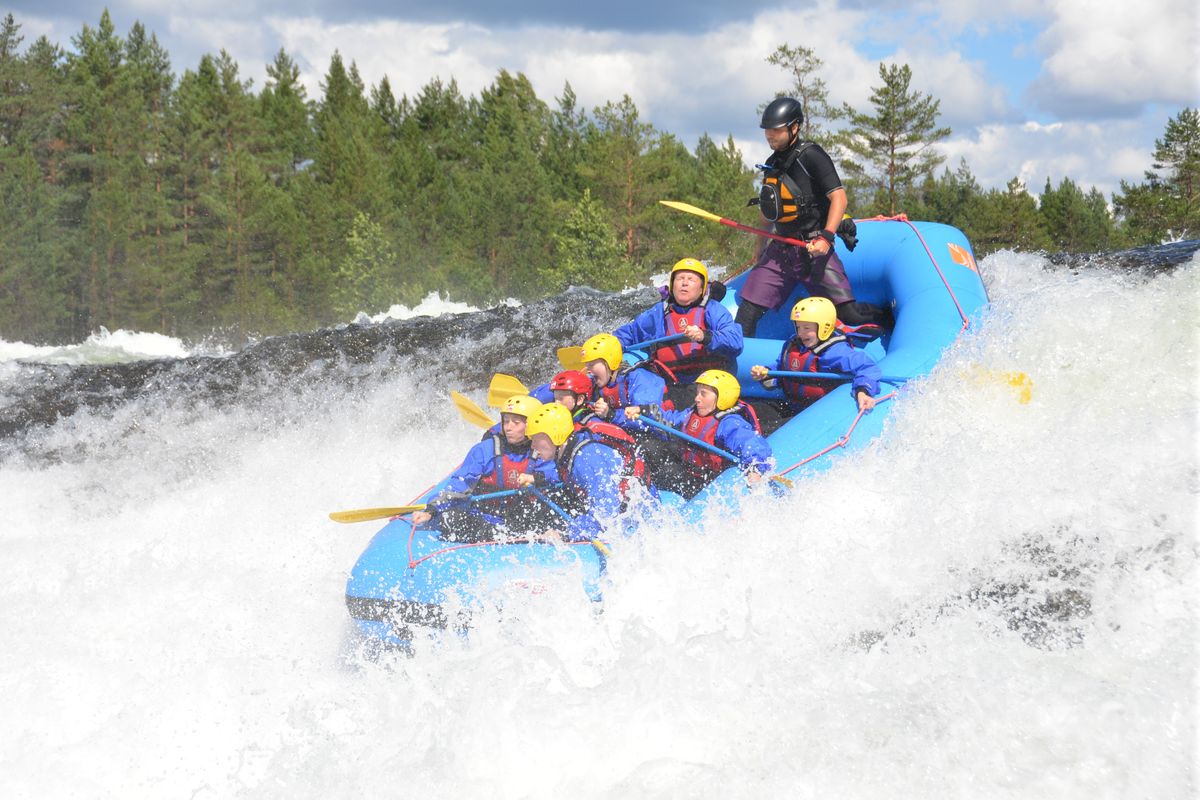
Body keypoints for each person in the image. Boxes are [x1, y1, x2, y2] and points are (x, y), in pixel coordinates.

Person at [735, 96, 892, 337]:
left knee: (850, 315)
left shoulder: (812, 155)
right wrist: (760, 246)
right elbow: (768, 209)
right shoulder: (771, 163)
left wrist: (826, 238)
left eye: (776, 130)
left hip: (815, 247)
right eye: (767, 131)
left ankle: (890, 320)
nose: (770, 136)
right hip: (781, 251)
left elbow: (839, 198)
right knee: (746, 315)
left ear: (794, 127)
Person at [412, 395, 559, 541]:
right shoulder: (485, 450)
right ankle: (511, 536)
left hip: (523, 518)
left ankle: (522, 534)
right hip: (486, 517)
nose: (508, 427)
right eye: (506, 421)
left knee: (547, 516)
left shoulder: (542, 450)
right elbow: (459, 485)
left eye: (516, 423)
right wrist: (431, 510)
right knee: (451, 519)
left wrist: (536, 478)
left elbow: (555, 476)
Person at [625, 369, 773, 499]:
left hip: (710, 479)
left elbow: (751, 443)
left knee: (668, 473)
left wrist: (755, 469)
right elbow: (669, 421)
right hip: (690, 469)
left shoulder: (729, 422)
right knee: (649, 447)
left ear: (722, 397)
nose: (697, 398)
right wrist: (643, 410)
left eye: (703, 394)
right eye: (697, 393)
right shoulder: (692, 413)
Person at [613, 258, 744, 398]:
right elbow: (631, 333)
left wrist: (704, 336)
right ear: (672, 285)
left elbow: (735, 341)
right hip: (671, 385)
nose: (684, 283)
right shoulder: (658, 313)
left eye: (691, 279)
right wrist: (609, 346)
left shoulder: (713, 310)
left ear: (701, 289)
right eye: (680, 278)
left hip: (708, 386)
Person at [525, 403, 653, 542]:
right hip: (621, 511)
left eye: (536, 438)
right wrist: (538, 478)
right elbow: (565, 474)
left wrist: (566, 533)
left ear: (555, 435)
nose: (533, 446)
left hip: (637, 516)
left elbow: (606, 511)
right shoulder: (567, 452)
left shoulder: (585, 458)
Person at [750, 296, 881, 413]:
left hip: (818, 412)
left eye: (806, 328)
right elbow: (781, 367)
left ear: (824, 327)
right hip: (793, 406)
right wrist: (767, 372)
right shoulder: (794, 344)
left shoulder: (836, 352)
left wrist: (863, 391)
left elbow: (867, 367)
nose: (801, 333)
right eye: (798, 327)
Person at [579, 333, 669, 427]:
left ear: (610, 362)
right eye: (586, 365)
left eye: (592, 364)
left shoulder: (638, 378)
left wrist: (610, 414)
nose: (588, 370)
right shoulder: (601, 378)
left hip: (663, 426)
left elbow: (645, 421)